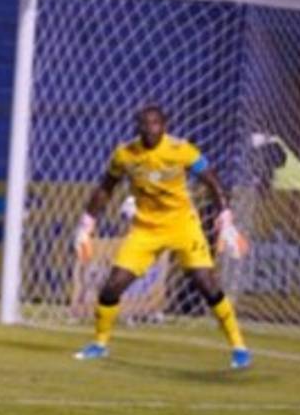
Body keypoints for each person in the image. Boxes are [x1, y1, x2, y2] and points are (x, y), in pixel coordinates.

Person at [72, 104, 252, 370]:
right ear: (137, 126)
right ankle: (99, 344)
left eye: (155, 123)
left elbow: (212, 181)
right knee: (112, 286)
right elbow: (105, 189)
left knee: (207, 284)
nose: (150, 128)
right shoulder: (124, 154)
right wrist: (86, 226)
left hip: (182, 225)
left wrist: (225, 218)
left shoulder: (181, 150)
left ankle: (239, 347)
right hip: (145, 229)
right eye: (144, 123)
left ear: (164, 125)